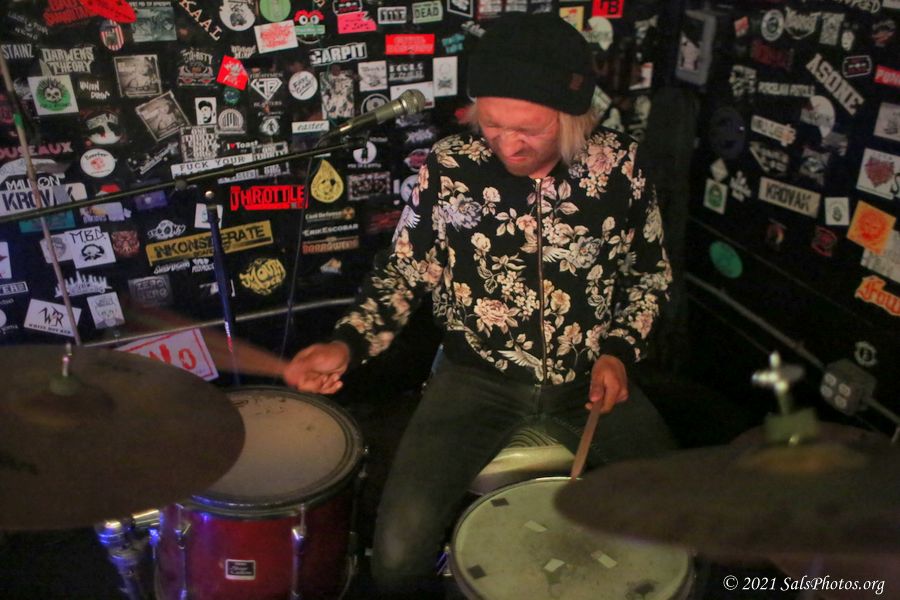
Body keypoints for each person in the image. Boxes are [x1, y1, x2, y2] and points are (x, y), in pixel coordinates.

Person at [284, 12, 675, 598]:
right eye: (492, 125)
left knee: (681, 513)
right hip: (476, 378)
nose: (508, 145)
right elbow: (405, 270)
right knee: (396, 556)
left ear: (572, 117)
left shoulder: (620, 167)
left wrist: (619, 351)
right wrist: (347, 343)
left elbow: (649, 275)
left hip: (589, 377)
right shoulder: (450, 167)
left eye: (529, 130)